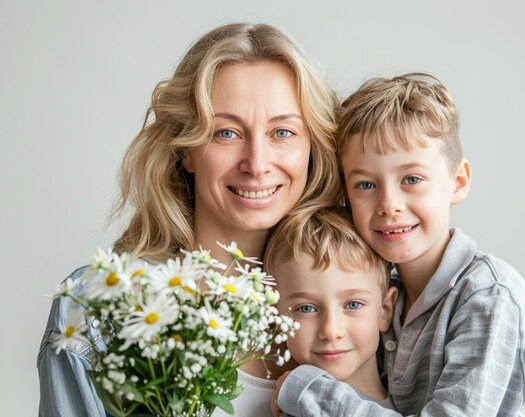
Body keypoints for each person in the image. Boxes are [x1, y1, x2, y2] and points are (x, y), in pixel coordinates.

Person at [37, 22, 342, 417]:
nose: (257, 164)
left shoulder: (364, 300)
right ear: (186, 149)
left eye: (282, 132)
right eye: (226, 133)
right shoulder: (96, 309)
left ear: (311, 149)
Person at [274, 73, 525, 417]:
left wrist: (309, 392)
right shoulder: (381, 299)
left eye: (412, 179)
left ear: (458, 182)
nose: (388, 204)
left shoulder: (487, 296)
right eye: (365, 184)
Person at [263, 206, 398, 413]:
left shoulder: (420, 395)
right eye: (306, 308)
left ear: (385, 310)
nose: (331, 331)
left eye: (353, 304)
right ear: (277, 315)